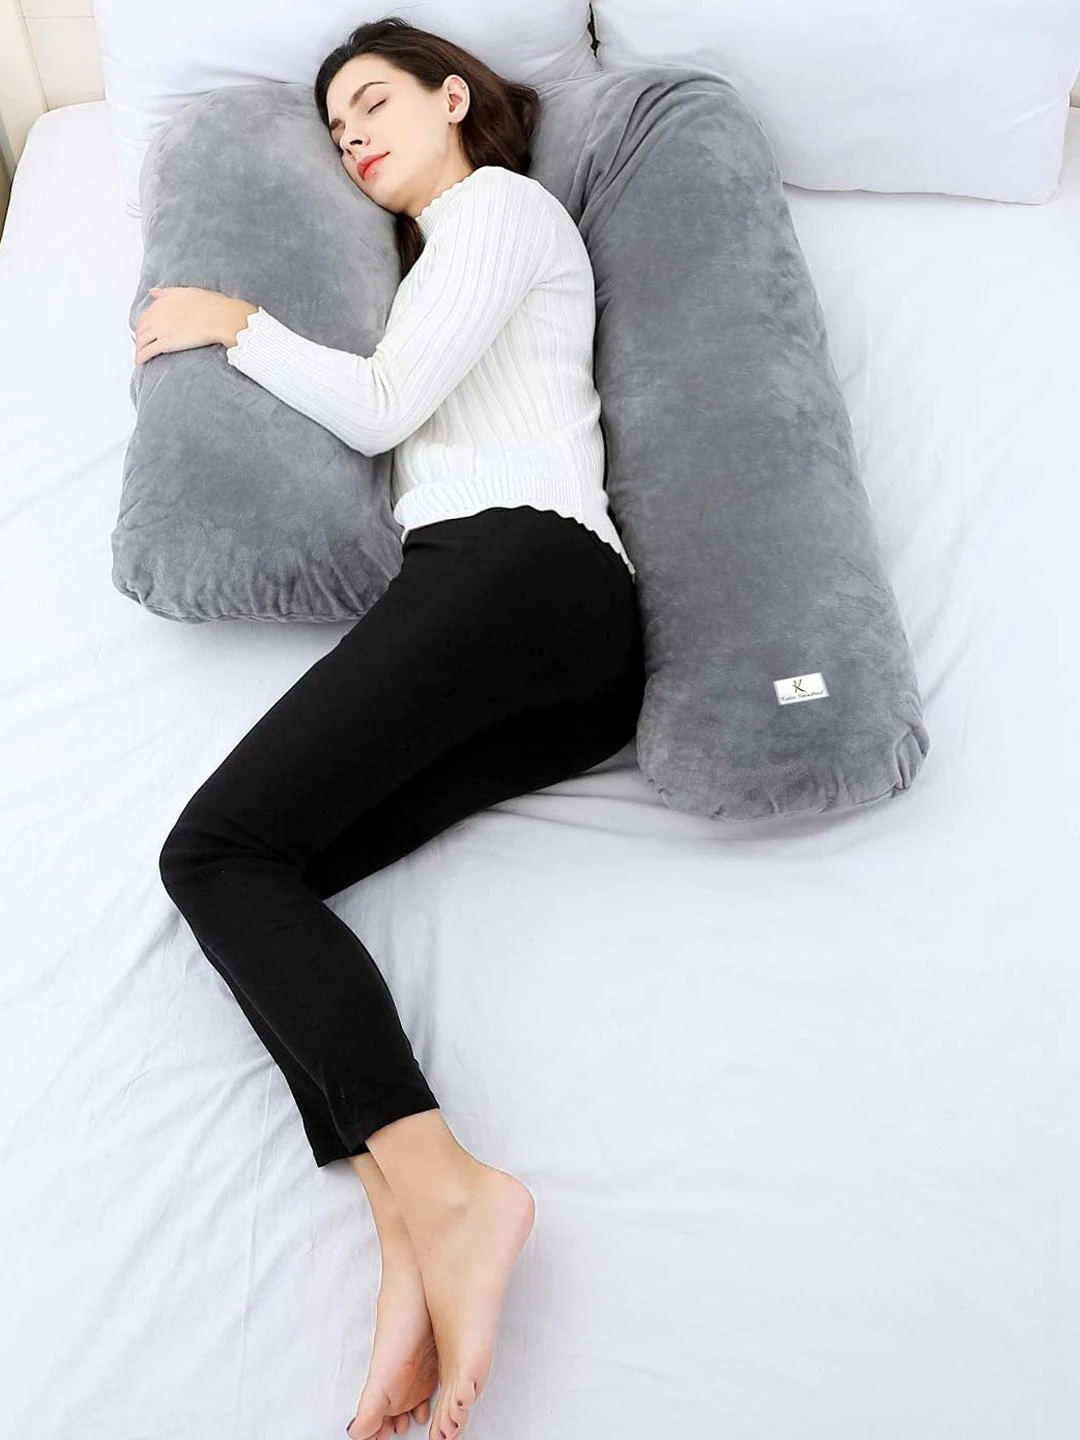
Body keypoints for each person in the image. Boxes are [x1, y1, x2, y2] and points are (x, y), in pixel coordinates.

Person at [152, 17, 642, 1440]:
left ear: (454, 96)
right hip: (549, 646)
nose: (354, 135)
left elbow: (380, 409)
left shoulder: (498, 210)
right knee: (265, 878)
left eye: (372, 101)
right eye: (336, 127)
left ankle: (457, 1199)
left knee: (212, 852)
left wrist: (233, 323)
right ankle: (407, 1234)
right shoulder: (434, 262)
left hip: (526, 569)